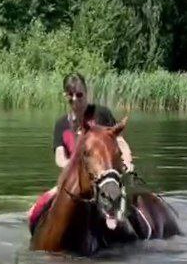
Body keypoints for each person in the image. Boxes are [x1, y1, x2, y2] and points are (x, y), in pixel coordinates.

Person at [27, 73, 134, 231]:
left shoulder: (101, 114)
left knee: (128, 213)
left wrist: (128, 162)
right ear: (65, 95)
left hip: (105, 179)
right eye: (71, 95)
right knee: (33, 212)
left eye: (79, 94)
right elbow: (59, 157)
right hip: (73, 182)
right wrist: (74, 165)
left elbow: (120, 143)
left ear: (86, 92)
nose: (75, 100)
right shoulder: (61, 124)